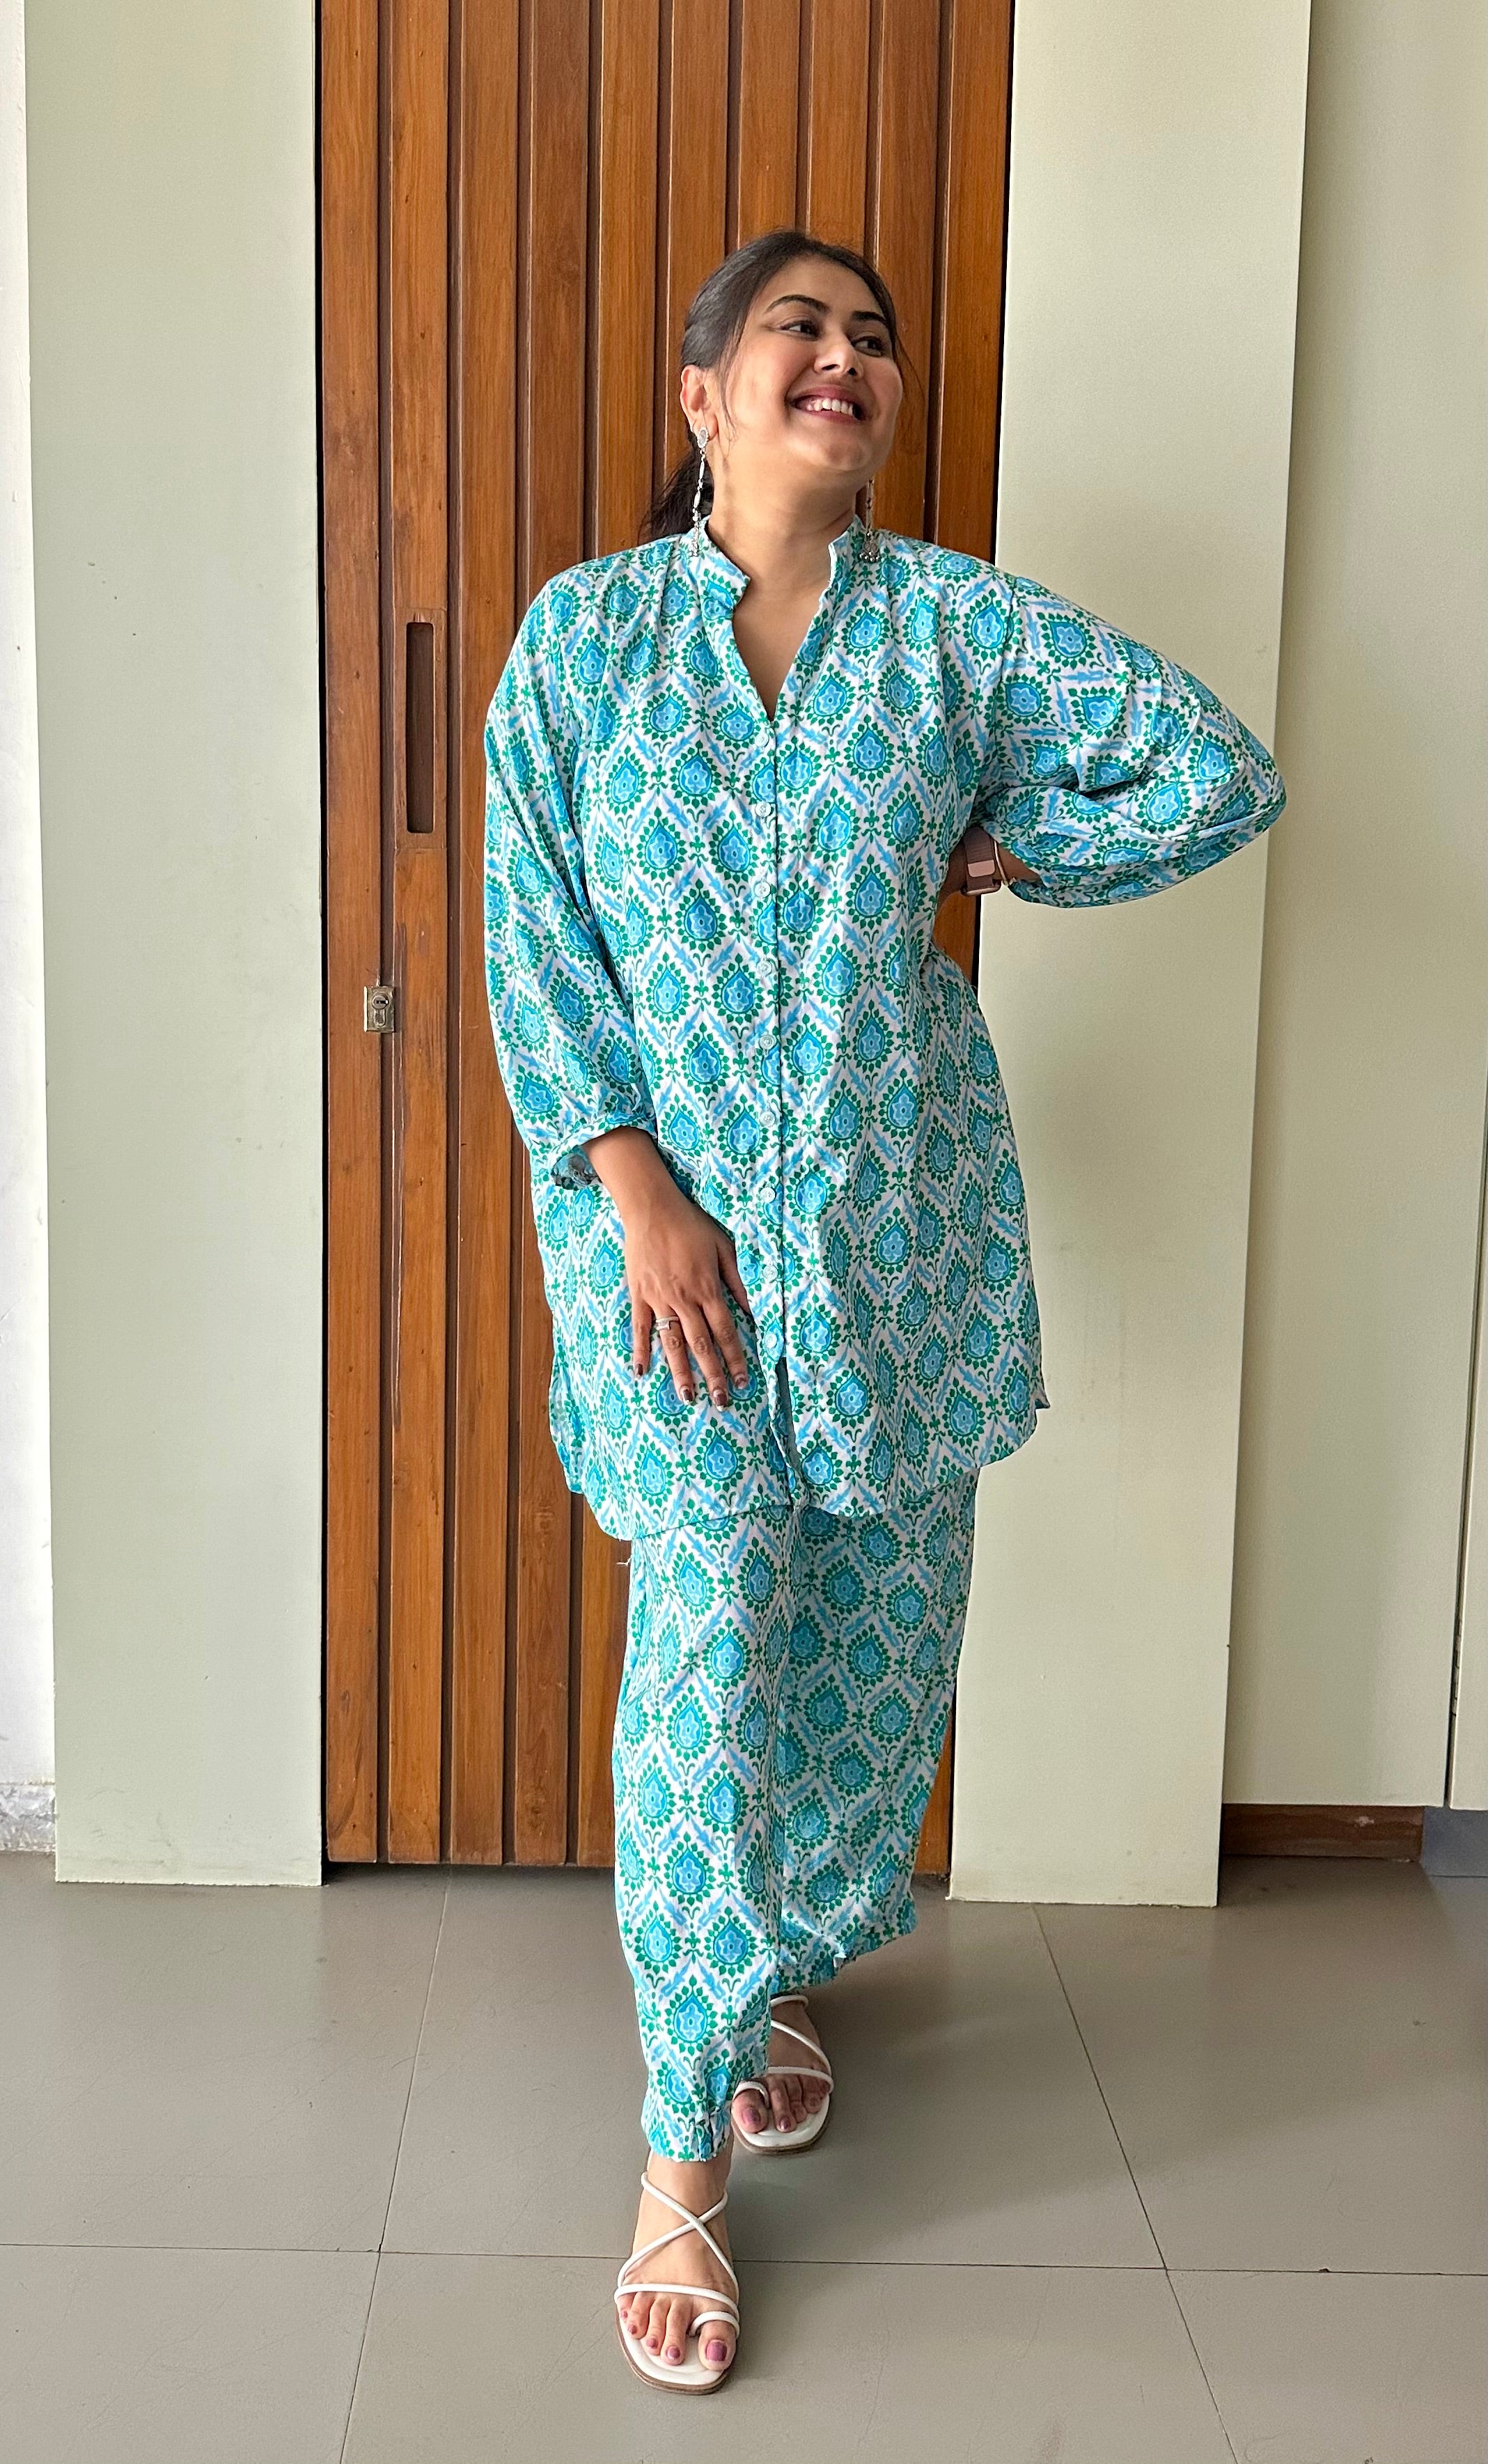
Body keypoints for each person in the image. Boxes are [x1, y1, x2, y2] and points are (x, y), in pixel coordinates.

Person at [483, 225, 1285, 2393]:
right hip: (672, 1272)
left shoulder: (951, 632)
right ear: (703, 396)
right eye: (798, 328)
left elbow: (1216, 767)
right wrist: (637, 1193)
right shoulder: (580, 645)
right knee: (704, 1669)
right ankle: (676, 2155)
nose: (844, 356)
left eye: (871, 337)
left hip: (897, 1238)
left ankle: (772, 1970)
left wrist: (1016, 850)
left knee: (866, 1663)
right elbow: (534, 937)